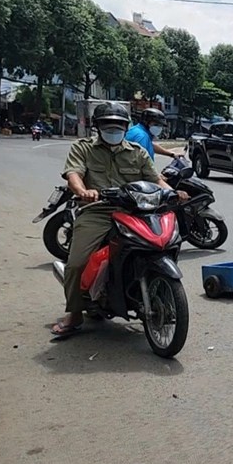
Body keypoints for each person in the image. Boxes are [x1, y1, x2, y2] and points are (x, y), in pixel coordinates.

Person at [50, 102, 188, 337]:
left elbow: (155, 179)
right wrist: (83, 191)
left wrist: (172, 192)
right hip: (98, 210)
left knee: (163, 244)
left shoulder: (137, 151)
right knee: (76, 262)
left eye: (118, 125)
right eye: (108, 125)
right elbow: (73, 174)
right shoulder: (83, 148)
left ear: (126, 127)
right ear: (98, 127)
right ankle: (74, 313)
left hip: (137, 211)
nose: (113, 129)